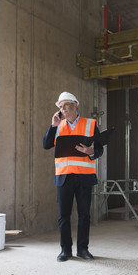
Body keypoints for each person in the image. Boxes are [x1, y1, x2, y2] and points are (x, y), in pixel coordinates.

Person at [42, 92, 103, 262]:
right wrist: (53, 126)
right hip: (64, 177)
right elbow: (46, 145)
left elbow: (99, 149)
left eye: (66, 105)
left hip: (84, 177)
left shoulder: (90, 124)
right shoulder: (58, 126)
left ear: (75, 105)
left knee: (84, 215)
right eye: (60, 107)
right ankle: (65, 251)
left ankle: (83, 250)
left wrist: (92, 152)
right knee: (64, 216)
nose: (63, 109)